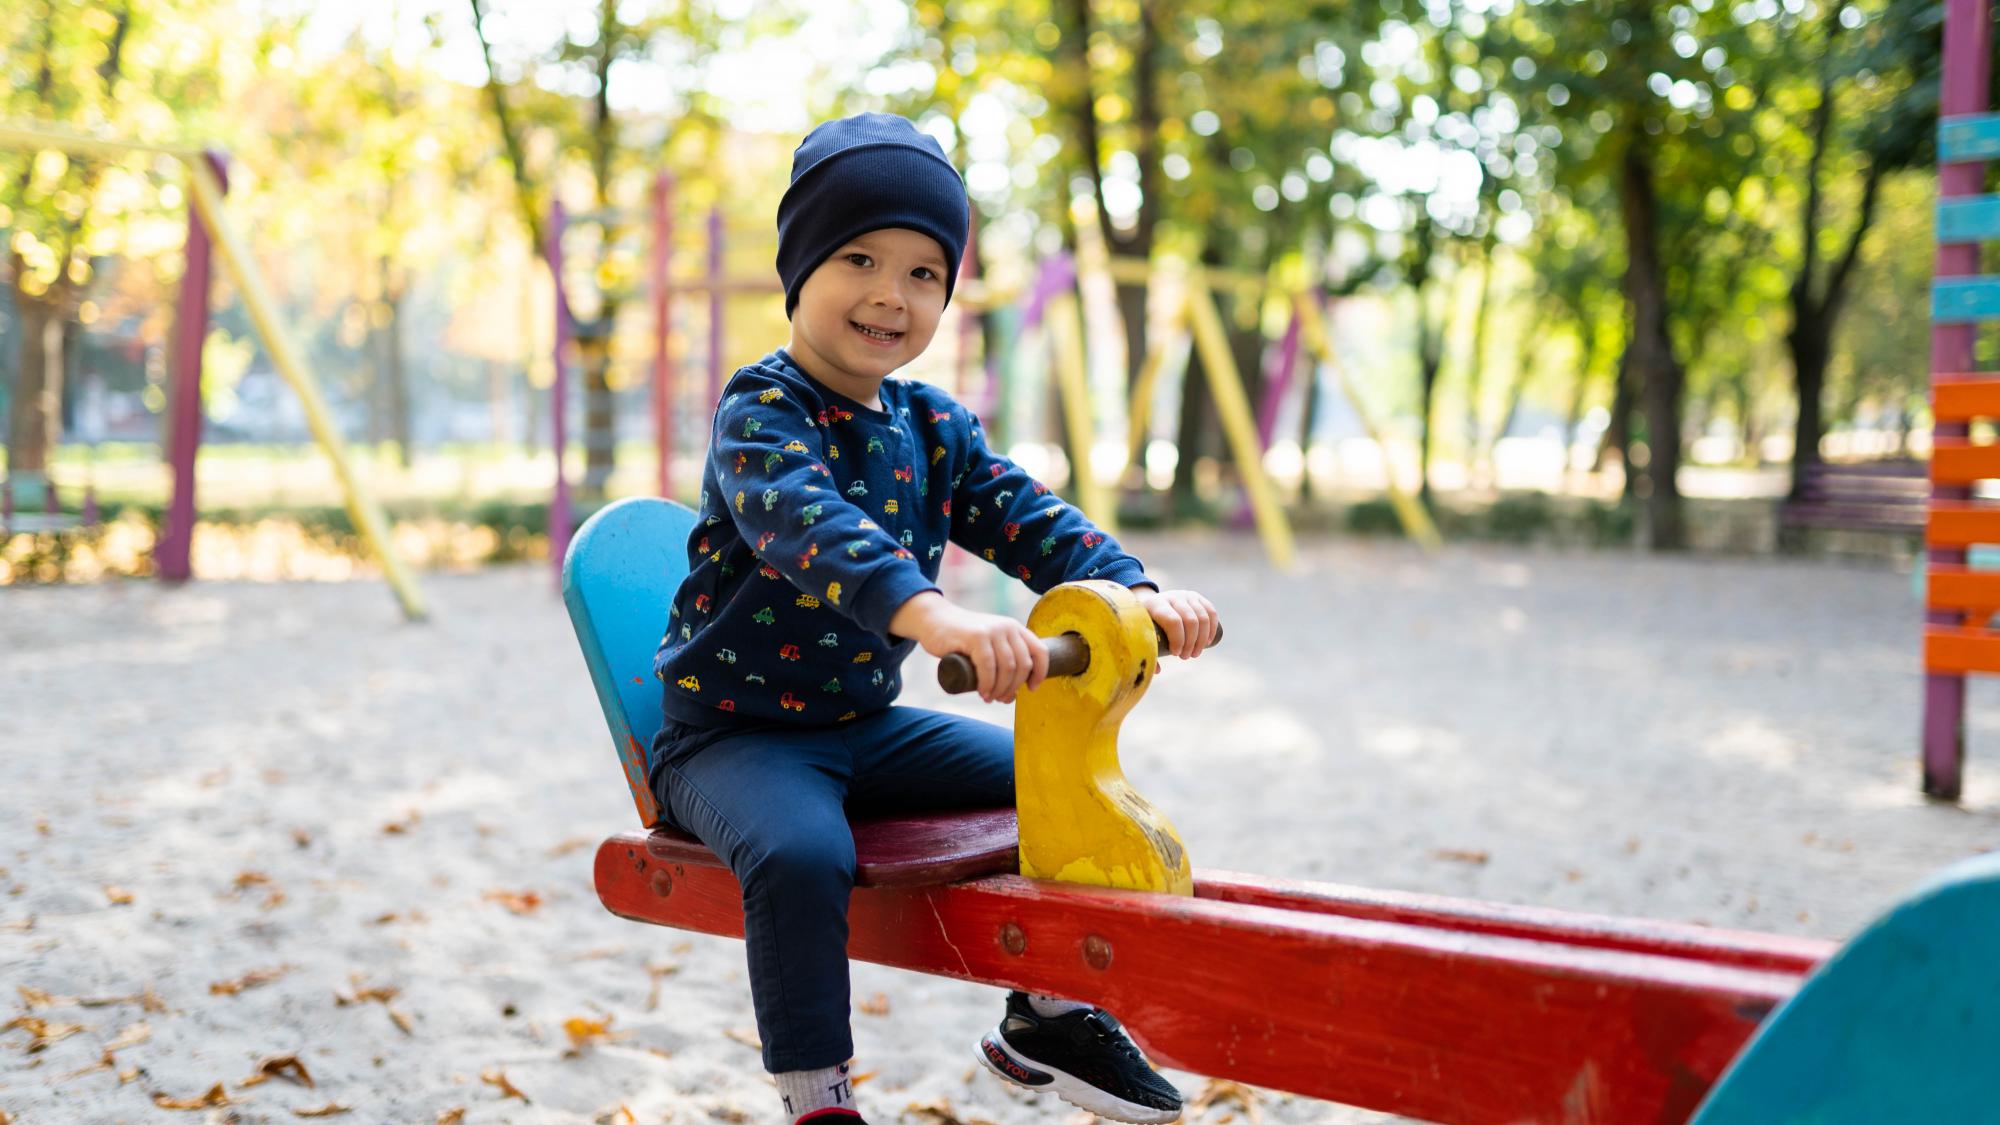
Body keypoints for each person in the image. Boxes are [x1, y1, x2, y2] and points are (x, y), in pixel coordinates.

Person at [649, 112, 1221, 1125]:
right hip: (732, 738)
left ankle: (1044, 1015)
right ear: (800, 269)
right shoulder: (762, 413)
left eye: (923, 273)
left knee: (1052, 778)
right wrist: (935, 619)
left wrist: (1131, 590)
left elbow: (1025, 516)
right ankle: (817, 1098)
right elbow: (809, 529)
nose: (890, 293)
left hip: (860, 730)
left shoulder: (930, 425)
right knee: (796, 855)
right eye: (859, 258)